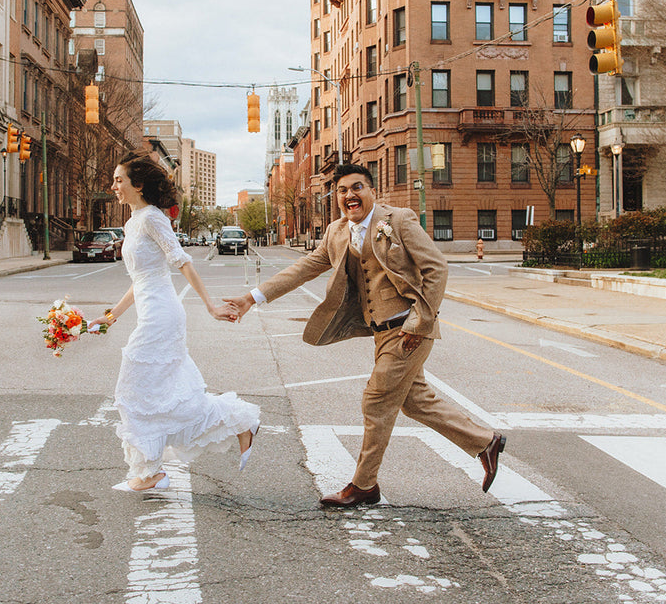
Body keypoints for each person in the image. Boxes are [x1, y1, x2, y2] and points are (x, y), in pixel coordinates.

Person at [225, 163, 505, 507]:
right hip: (380, 332)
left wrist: (421, 322)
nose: (349, 196)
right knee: (415, 402)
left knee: (375, 401)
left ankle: (364, 485)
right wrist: (251, 299)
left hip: (408, 330)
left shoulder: (398, 220)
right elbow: (302, 269)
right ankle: (485, 441)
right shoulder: (337, 232)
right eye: (342, 191)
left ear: (372, 191)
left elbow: (436, 268)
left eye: (357, 188)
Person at [88, 152, 259, 492]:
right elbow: (140, 280)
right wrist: (109, 317)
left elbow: (182, 262)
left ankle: (153, 472)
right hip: (151, 310)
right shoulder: (133, 221)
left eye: (119, 180)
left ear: (138, 185)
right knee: (158, 395)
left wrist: (210, 305)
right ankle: (235, 425)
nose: (113, 186)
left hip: (162, 315)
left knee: (134, 389)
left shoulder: (152, 218)